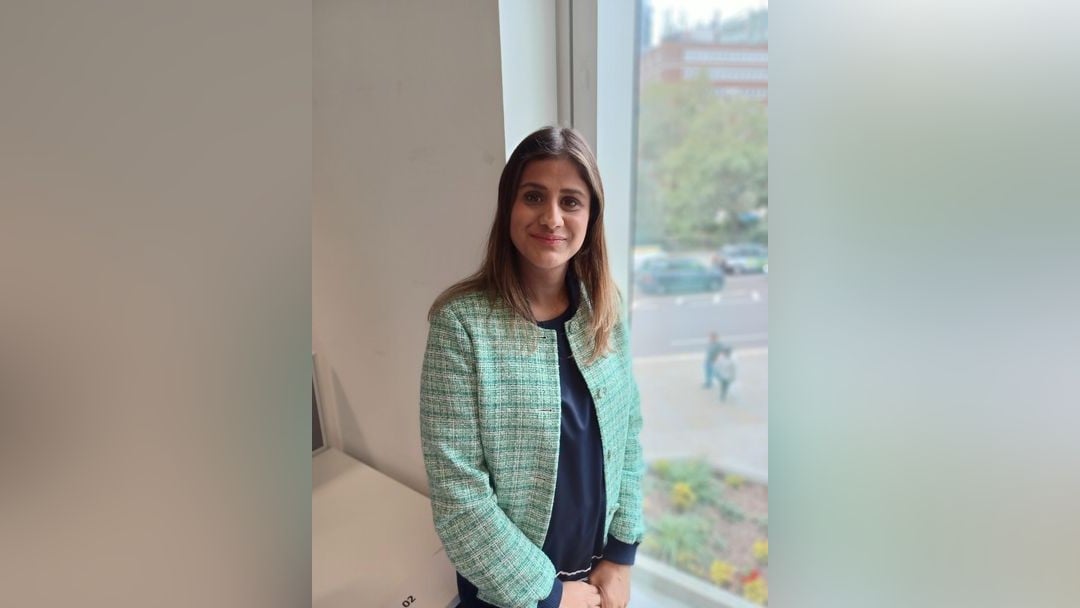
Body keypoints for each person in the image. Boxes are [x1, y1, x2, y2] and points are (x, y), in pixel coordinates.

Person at [419, 127, 645, 608]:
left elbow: (629, 436)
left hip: (598, 577)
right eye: (534, 196)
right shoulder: (461, 325)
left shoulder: (605, 308)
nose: (552, 217)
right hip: (510, 592)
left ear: (591, 216)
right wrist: (550, 595)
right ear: (509, 206)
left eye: (571, 201)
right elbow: (459, 497)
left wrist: (621, 555)